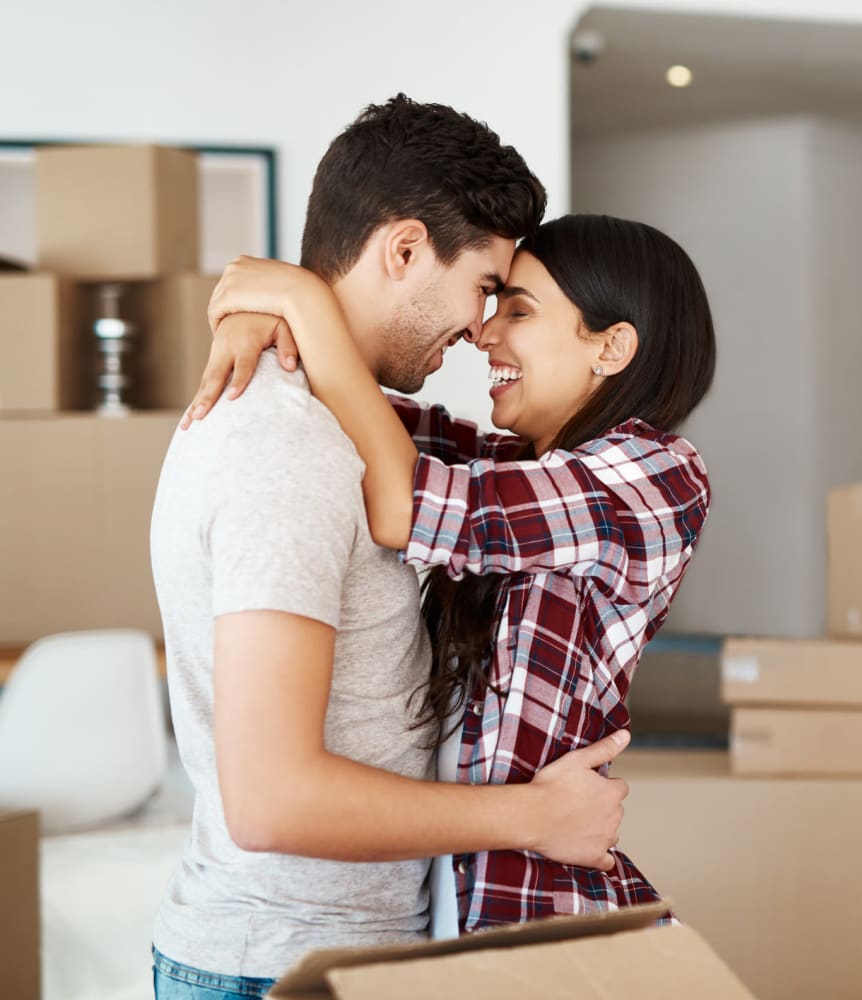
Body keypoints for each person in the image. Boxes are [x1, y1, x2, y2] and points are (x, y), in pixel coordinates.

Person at [149, 96, 632, 1000]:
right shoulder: (286, 450)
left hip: (321, 953)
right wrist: (536, 817)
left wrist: (285, 300)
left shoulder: (334, 426)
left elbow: (432, 479)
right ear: (406, 250)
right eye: (485, 287)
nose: (481, 327)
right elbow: (273, 798)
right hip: (285, 965)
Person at [186, 212, 716, 936]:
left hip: (538, 910)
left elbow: (407, 506)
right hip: (458, 902)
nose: (486, 334)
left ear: (612, 346)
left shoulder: (656, 476)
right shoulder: (515, 465)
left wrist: (304, 302)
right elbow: (350, 409)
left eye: (519, 311)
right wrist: (254, 320)